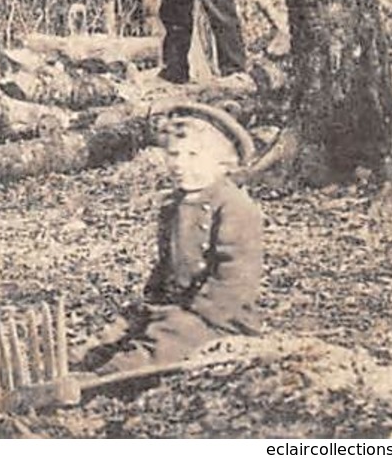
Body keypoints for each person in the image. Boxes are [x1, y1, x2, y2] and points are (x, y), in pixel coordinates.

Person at [83, 104, 263, 373]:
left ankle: (109, 376)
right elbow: (166, 266)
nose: (180, 164)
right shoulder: (172, 205)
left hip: (216, 317)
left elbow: (235, 281)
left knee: (164, 341)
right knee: (120, 331)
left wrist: (189, 312)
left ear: (222, 161)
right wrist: (153, 302)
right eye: (174, 154)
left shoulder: (234, 207)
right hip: (174, 308)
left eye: (193, 155)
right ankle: (84, 364)